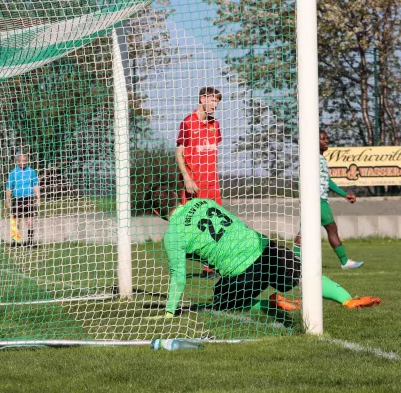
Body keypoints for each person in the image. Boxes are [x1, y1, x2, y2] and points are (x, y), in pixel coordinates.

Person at [147, 185, 381, 318]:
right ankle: (348, 300)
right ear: (179, 196)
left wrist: (169, 313)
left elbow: (179, 277)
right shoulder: (204, 202)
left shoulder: (173, 235)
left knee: (223, 303)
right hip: (265, 248)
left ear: (157, 214)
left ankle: (271, 304)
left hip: (241, 272)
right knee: (304, 276)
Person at [294, 130, 363, 269]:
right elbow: (304, 179)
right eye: (323, 139)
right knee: (331, 228)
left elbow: (327, 181)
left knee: (304, 232)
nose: (327, 141)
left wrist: (344, 194)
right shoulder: (312, 159)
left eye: (327, 138)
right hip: (316, 200)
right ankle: (345, 262)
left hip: (316, 200)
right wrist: (305, 198)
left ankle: (293, 263)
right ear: (314, 142)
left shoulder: (320, 159)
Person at [176, 87, 223, 206]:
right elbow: (178, 154)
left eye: (217, 101)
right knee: (195, 222)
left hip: (213, 184)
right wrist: (187, 179)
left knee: (215, 221)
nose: (215, 105)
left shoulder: (215, 124)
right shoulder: (188, 123)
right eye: (213, 100)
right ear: (202, 99)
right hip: (194, 184)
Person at [6, 153, 40, 247]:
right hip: (17, 199)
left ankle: (30, 242)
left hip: (28, 199)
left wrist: (38, 197)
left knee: (30, 221)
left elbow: (35, 184)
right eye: (21, 160)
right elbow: (9, 187)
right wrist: (7, 199)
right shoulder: (13, 172)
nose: (23, 162)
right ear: (17, 161)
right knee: (15, 221)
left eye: (24, 161)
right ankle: (16, 241)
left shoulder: (31, 171)